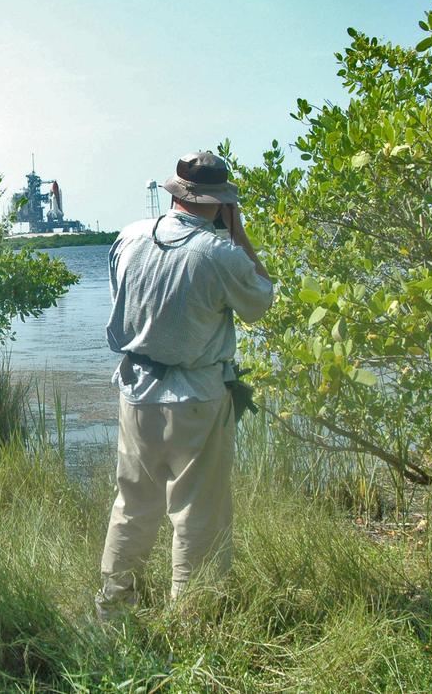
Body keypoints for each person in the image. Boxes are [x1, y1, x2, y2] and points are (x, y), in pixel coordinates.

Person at [96, 150, 274, 619]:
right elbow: (261, 299)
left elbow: (121, 308)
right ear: (220, 202)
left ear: (176, 192)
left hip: (134, 390)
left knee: (132, 503)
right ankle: (192, 616)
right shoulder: (221, 254)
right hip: (196, 397)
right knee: (198, 511)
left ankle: (114, 607)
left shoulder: (129, 237)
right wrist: (238, 232)